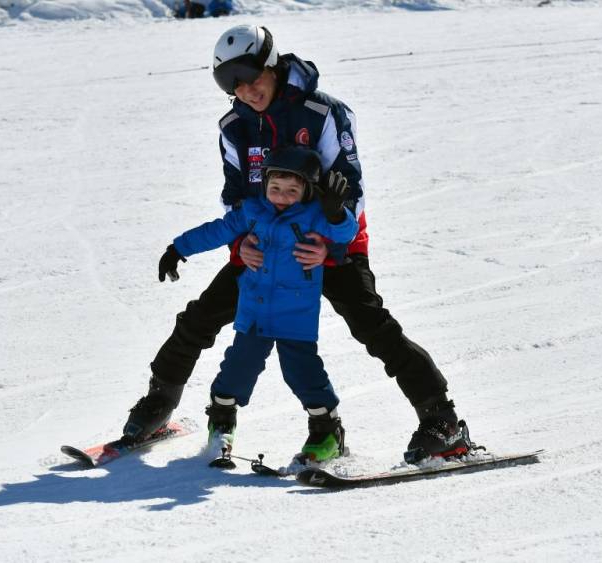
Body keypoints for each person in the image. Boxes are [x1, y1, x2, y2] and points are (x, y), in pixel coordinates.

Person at [124, 25, 471, 464]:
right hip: (266, 246)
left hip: (330, 244)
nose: (247, 91)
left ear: (272, 65)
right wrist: (244, 243)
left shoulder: (324, 114)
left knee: (372, 326)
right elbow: (236, 197)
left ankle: (443, 423)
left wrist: (330, 245)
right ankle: (159, 404)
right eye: (234, 84)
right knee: (200, 318)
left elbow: (353, 189)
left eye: (252, 77)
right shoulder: (234, 127)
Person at [162, 146, 357, 463]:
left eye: (292, 190)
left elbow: (345, 232)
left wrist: (336, 212)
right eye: (275, 188)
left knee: (302, 373)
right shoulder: (253, 212)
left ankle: (326, 432)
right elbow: (218, 230)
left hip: (295, 316)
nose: (282, 196)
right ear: (264, 185)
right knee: (237, 370)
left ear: (306, 190)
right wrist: (179, 248)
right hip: (254, 314)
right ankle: (222, 425)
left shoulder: (314, 216)